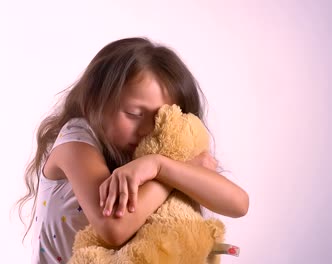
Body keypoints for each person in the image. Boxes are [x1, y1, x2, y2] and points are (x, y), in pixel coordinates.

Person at [18, 37, 249, 263]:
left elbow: (239, 204)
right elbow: (113, 229)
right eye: (134, 114)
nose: (145, 129)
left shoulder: (156, 151)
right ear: (95, 102)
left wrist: (159, 165)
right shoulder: (75, 141)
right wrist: (166, 173)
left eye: (159, 118)